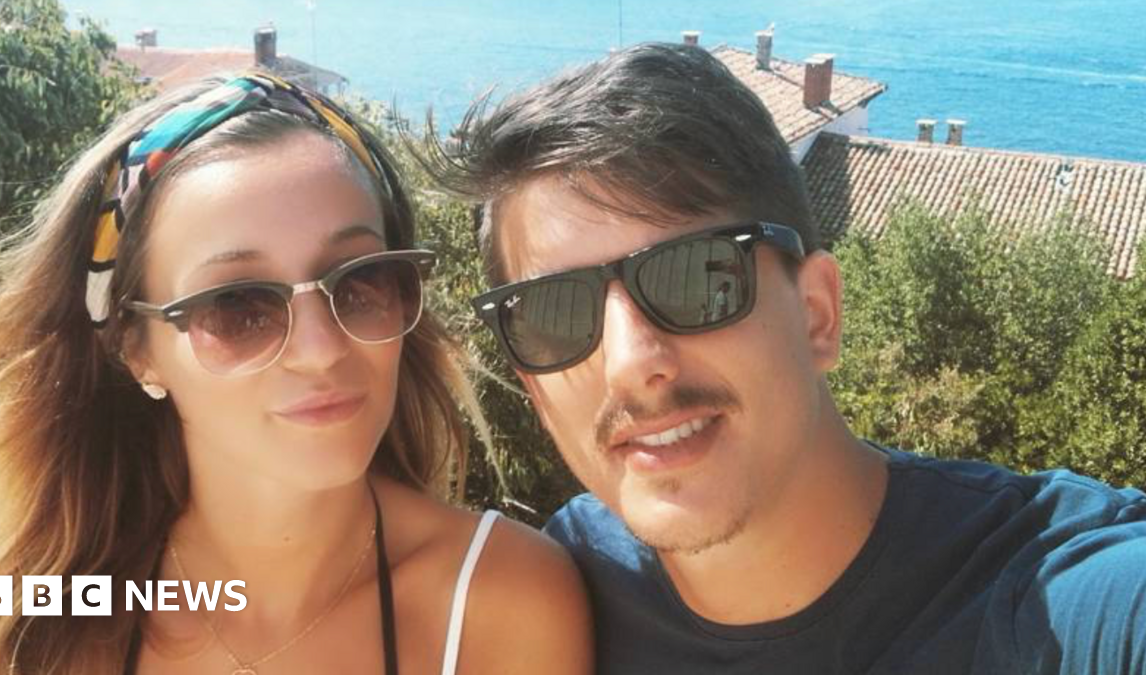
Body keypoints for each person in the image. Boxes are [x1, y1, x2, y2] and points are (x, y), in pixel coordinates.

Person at [427, 43, 1146, 673]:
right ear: (531, 383)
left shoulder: (1057, 607)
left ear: (817, 314)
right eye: (556, 312)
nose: (629, 362)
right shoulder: (548, 603)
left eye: (699, 276)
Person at [0, 73, 591, 675]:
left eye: (360, 280)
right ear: (134, 349)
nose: (319, 349)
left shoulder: (498, 601)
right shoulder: (29, 624)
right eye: (237, 307)